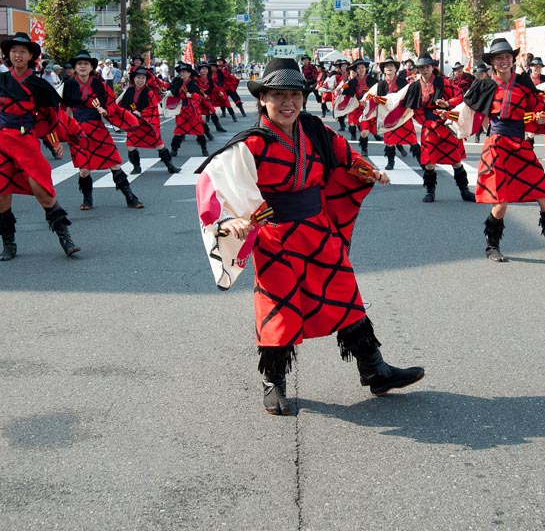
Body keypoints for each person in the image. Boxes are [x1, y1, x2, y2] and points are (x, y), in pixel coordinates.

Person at [195, 57, 424, 415]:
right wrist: (232, 221)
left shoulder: (314, 128)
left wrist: (368, 170)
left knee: (346, 295)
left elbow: (345, 155)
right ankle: (273, 382)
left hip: (319, 230)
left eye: (295, 95)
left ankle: (375, 370)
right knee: (279, 309)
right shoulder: (249, 145)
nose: (288, 103)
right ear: (263, 100)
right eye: (278, 95)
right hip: (275, 237)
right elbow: (215, 187)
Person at [464, 38, 545, 262]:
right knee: (500, 204)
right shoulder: (484, 84)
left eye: (507, 57)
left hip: (520, 145)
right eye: (499, 58)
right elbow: (467, 112)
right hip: (497, 146)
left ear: (513, 59)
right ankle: (492, 246)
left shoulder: (523, 83)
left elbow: (538, 113)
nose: (504, 61)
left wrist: (540, 119)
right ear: (492, 61)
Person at [0, 32, 80, 261]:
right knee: (1, 196)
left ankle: (65, 238)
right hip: (0, 141)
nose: (17, 55)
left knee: (43, 191)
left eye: (23, 51)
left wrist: (67, 135)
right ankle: (9, 243)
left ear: (30, 56)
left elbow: (52, 117)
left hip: (25, 140)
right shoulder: (0, 80)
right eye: (14, 51)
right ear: (8, 55)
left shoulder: (39, 85)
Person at [61, 51, 143, 211]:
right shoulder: (68, 85)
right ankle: (87, 199)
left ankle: (130, 197)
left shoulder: (100, 85)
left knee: (114, 164)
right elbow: (65, 110)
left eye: (86, 64)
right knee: (84, 170)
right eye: (79, 64)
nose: (82, 66)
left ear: (91, 67)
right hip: (77, 131)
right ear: (75, 68)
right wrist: (65, 129)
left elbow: (111, 105)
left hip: (98, 128)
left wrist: (106, 112)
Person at [403, 54, 473, 202]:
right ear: (418, 69)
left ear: (432, 67)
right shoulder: (415, 86)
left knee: (456, 160)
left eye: (427, 66)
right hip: (428, 126)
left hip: (446, 124)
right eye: (422, 67)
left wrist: (447, 104)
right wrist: (424, 121)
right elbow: (413, 108)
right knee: (429, 162)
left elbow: (460, 95)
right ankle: (430, 191)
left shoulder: (443, 82)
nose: (425, 70)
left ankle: (464, 191)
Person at [118, 67, 181, 174]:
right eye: (138, 77)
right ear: (134, 79)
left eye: (143, 78)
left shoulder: (149, 93)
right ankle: (136, 167)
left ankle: (170, 165)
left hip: (147, 123)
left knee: (159, 145)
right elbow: (122, 106)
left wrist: (141, 113)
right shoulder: (129, 91)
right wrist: (127, 113)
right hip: (133, 123)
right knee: (130, 145)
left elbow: (153, 108)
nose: (140, 80)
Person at [374, 57, 419, 169]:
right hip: (389, 116)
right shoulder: (381, 84)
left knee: (412, 140)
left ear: (396, 69)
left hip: (402, 115)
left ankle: (422, 161)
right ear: (384, 70)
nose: (389, 68)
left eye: (392, 66)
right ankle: (390, 162)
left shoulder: (403, 82)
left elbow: (408, 97)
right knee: (389, 141)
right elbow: (379, 101)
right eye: (387, 66)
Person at [168, 62, 209, 157]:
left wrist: (192, 95)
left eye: (184, 72)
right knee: (178, 132)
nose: (181, 73)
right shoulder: (177, 82)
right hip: (182, 112)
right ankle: (174, 150)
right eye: (181, 71)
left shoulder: (194, 84)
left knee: (199, 132)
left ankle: (204, 149)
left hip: (193, 112)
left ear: (189, 73)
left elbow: (199, 97)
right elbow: (173, 94)